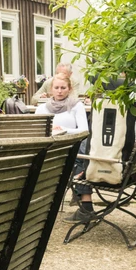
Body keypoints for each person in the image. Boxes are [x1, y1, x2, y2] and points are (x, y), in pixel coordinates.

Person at [38, 74, 93, 223]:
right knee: (80, 159)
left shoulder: (76, 105)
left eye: (63, 88)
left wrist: (63, 130)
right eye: (56, 88)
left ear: (69, 89)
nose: (60, 91)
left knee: (80, 153)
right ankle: (86, 206)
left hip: (70, 147)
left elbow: (84, 131)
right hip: (50, 148)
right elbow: (36, 131)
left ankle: (86, 207)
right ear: (51, 89)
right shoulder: (42, 108)